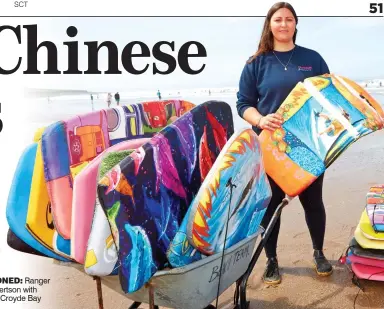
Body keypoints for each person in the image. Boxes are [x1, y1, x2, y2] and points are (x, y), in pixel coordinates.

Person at [236, 2, 332, 285]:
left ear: (295, 25)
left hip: (308, 144)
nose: (284, 24)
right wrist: (261, 120)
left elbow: (327, 97)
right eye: (278, 19)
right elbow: (243, 104)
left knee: (313, 202)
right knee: (272, 204)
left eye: (289, 19)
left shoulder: (312, 59)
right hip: (271, 145)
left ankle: (318, 252)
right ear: (270, 24)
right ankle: (272, 260)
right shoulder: (256, 63)